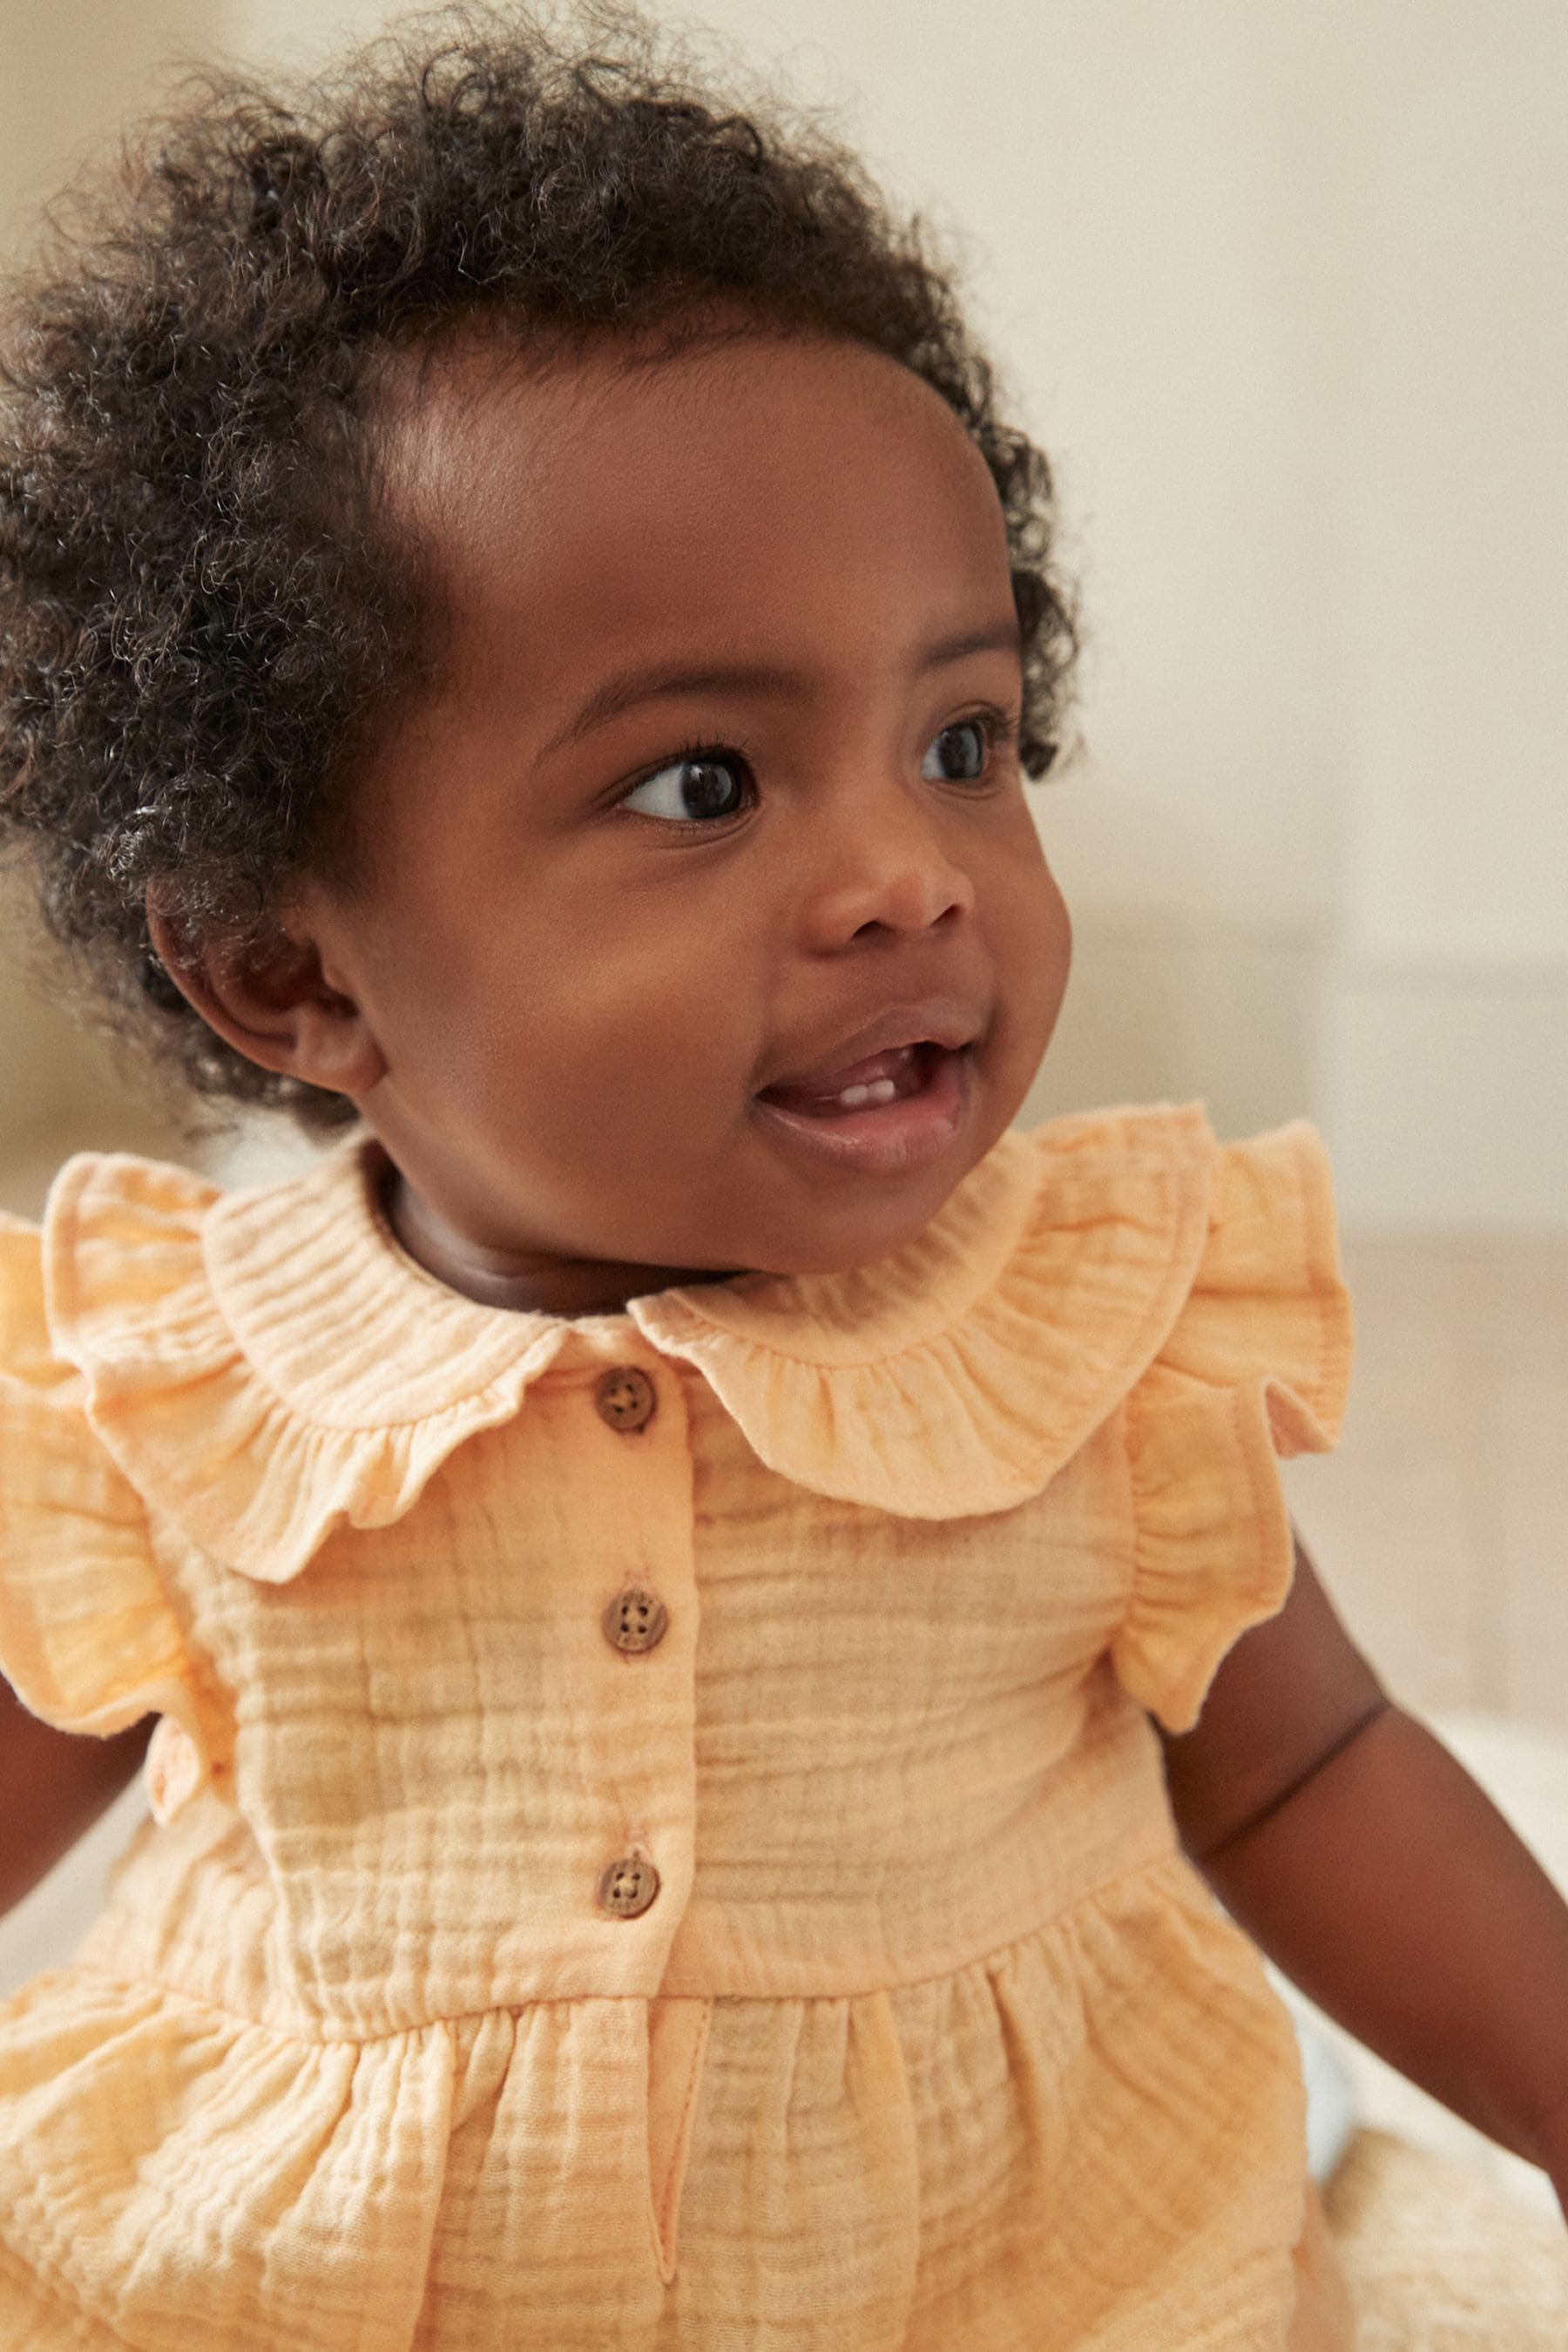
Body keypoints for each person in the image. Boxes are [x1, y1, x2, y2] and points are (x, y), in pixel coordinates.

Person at [0, 8, 1565, 2346]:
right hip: (319, 2284)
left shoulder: (1091, 1338)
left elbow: (1315, 1763)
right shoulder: (170, 1394)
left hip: (999, 2276)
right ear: (282, 971)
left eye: (963, 742)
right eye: (704, 789)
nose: (905, 879)